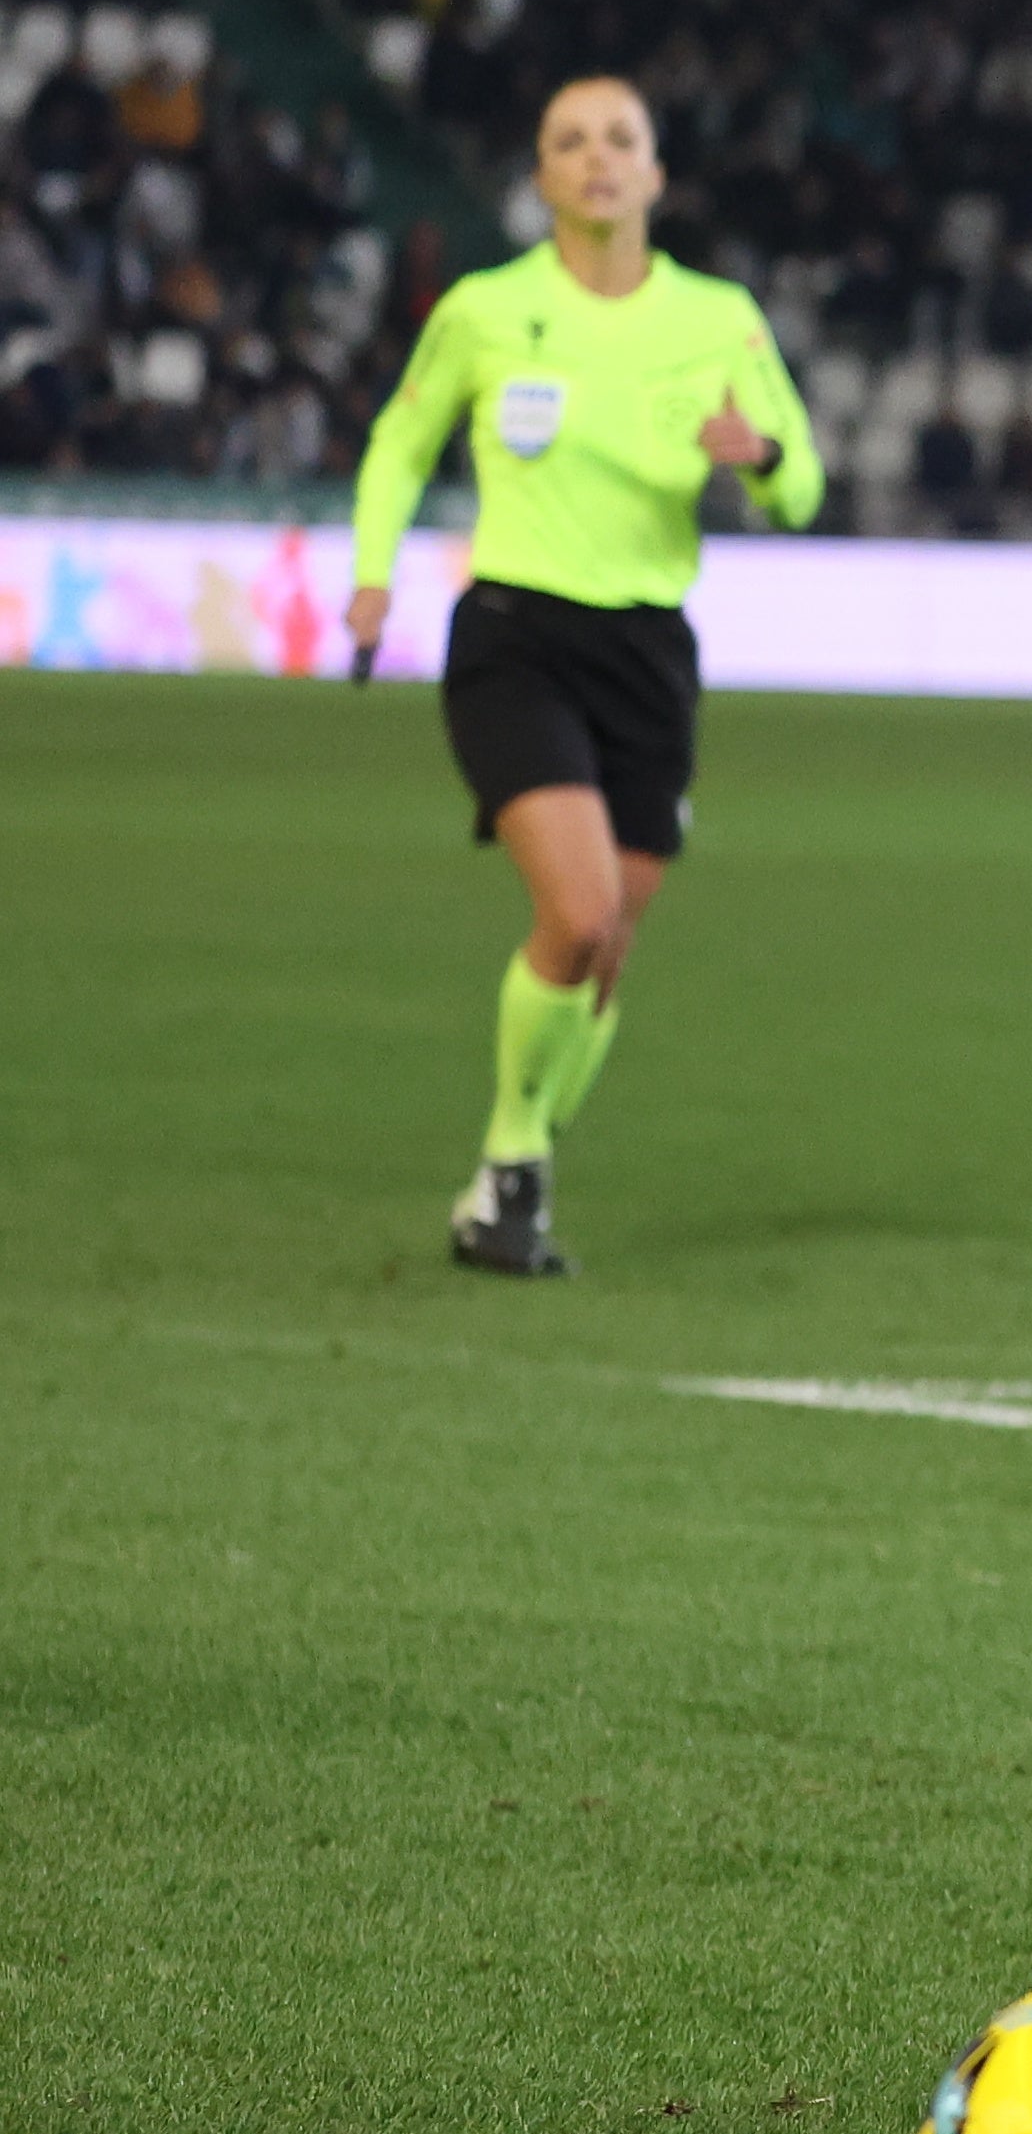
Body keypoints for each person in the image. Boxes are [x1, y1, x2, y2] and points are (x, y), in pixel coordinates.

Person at [348, 78, 826, 1277]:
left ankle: (515, 1165)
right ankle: (516, 1160)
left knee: (611, 941)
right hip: (513, 633)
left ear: (657, 175)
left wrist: (760, 457)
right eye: (570, 140)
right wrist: (368, 576)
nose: (597, 158)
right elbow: (402, 439)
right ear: (543, 177)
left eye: (622, 139)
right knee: (578, 910)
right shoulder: (488, 308)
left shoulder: (719, 319)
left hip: (647, 651)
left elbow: (804, 483)